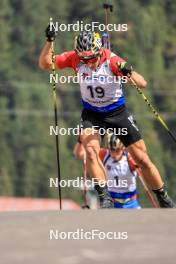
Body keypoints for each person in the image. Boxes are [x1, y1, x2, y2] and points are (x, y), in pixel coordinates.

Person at [39, 27, 175, 208]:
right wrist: (49, 41)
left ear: (99, 51)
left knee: (141, 158)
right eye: (84, 59)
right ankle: (105, 197)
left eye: (92, 58)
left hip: (116, 112)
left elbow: (142, 83)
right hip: (92, 113)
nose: (89, 63)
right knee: (90, 151)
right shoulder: (75, 58)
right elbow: (45, 63)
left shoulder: (112, 60)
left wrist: (128, 71)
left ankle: (162, 196)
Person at [74, 134, 141, 209]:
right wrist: (80, 139)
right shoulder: (105, 154)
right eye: (112, 150)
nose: (114, 154)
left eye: (117, 150)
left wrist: (138, 166)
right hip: (111, 203)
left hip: (130, 203)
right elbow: (79, 154)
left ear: (123, 148)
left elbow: (143, 169)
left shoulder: (129, 158)